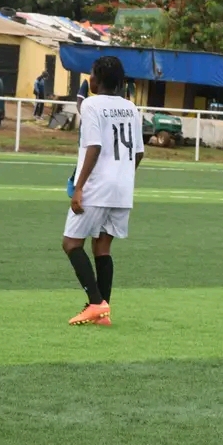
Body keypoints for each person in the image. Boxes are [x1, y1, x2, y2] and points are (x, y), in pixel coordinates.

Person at [62, 56, 145, 326]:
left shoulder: (91, 104)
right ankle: (102, 313)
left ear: (97, 79)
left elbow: (94, 147)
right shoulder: (131, 108)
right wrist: (124, 176)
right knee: (102, 246)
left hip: (97, 187)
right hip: (123, 188)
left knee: (71, 243)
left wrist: (79, 187)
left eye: (91, 75)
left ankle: (96, 303)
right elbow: (139, 152)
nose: (90, 79)